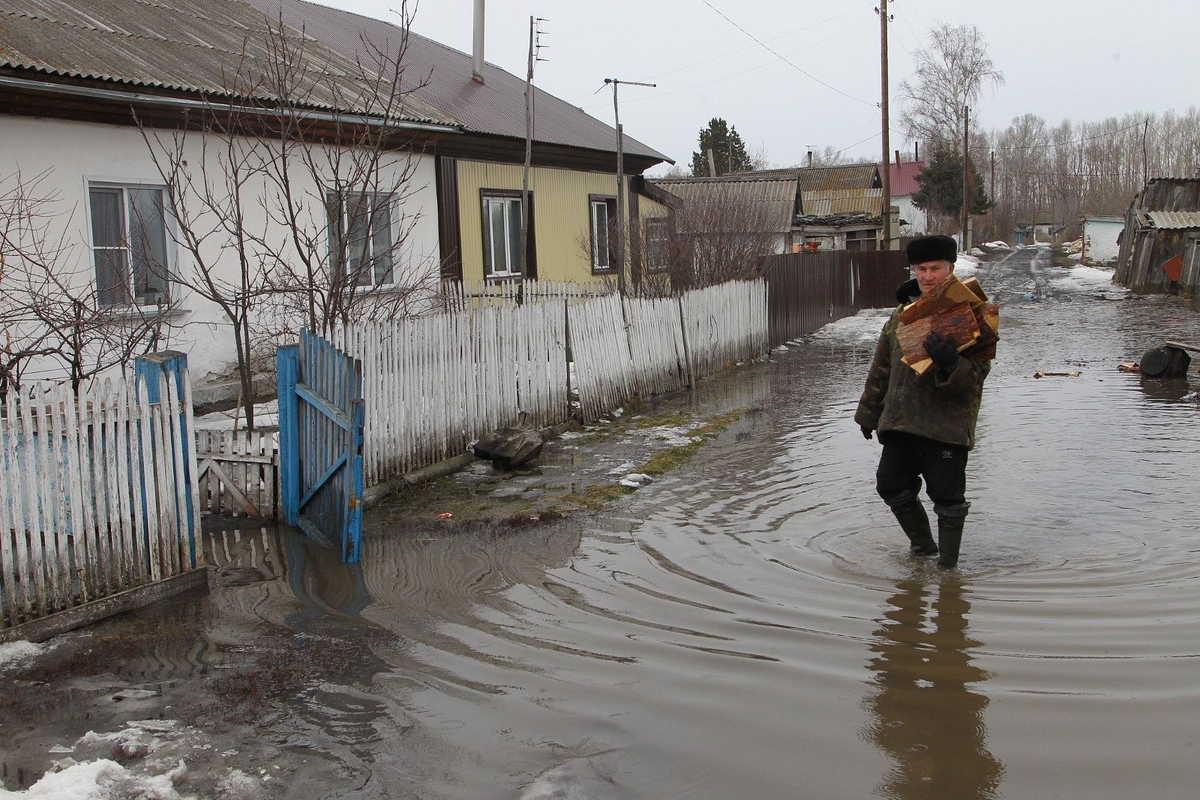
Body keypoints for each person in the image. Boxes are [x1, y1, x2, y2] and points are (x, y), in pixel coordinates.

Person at [855, 235, 990, 568]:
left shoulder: (972, 315)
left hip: (946, 426)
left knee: (947, 498)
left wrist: (951, 362)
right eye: (921, 269)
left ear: (951, 268)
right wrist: (868, 413)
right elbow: (881, 366)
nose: (928, 276)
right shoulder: (902, 315)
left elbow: (975, 379)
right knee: (890, 485)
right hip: (901, 421)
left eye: (935, 268)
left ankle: (948, 571)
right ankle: (923, 548)